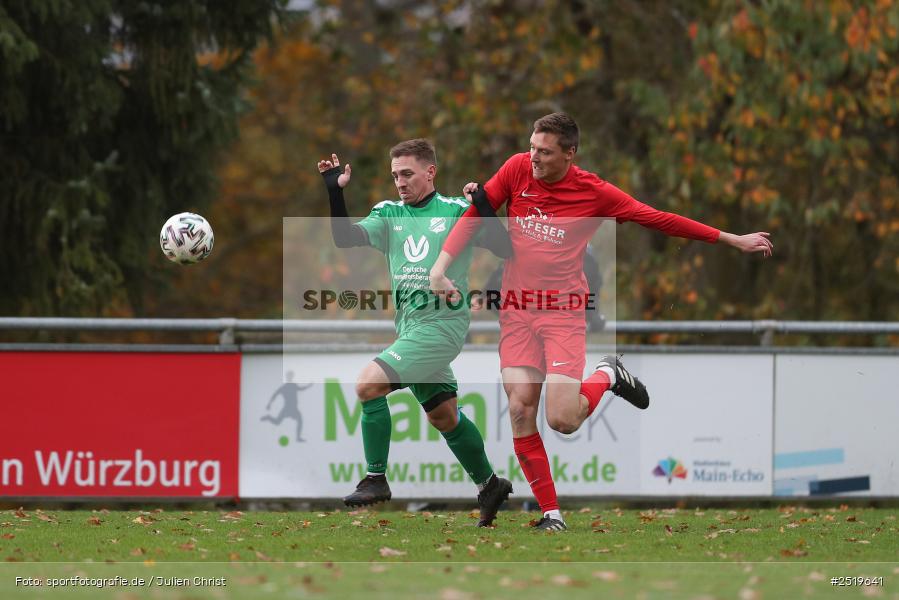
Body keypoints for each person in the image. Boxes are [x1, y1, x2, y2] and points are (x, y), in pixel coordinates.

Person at [429, 113, 773, 531]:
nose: (533, 157)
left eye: (544, 151)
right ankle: (551, 513)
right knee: (520, 408)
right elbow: (472, 217)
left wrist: (731, 239)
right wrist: (439, 269)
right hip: (517, 311)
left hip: (563, 314)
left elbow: (659, 218)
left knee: (563, 420)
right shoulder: (518, 167)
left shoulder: (595, 192)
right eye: (532, 147)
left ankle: (608, 374)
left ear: (570, 153)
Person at [317, 139, 513, 526]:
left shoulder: (457, 211)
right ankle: (490, 485)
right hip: (410, 328)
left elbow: (504, 247)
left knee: (367, 385)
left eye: (407, 174)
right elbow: (345, 239)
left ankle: (376, 479)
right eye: (395, 176)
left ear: (430, 172)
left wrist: (486, 206)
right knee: (444, 416)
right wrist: (333, 193)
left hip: (443, 325)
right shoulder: (388, 214)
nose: (400, 183)